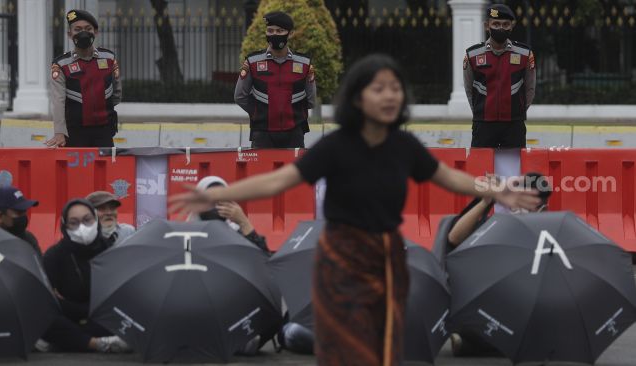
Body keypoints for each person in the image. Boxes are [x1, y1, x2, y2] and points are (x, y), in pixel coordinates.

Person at [170, 54, 540, 366]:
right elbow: (278, 181)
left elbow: (449, 178)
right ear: (359, 97)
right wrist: (219, 194)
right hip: (341, 257)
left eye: (395, 88)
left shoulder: (404, 145)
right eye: (378, 88)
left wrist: (496, 192)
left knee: (385, 346)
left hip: (388, 258)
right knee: (343, 347)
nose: (389, 95)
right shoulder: (337, 146)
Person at [447, 172, 551, 357]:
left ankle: (473, 346)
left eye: (530, 202)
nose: (522, 207)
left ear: (543, 207)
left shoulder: (548, 236)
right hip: (489, 308)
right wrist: (485, 202)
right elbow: (455, 237)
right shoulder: (498, 227)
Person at [41, 198, 130, 353]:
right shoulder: (54, 256)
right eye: (74, 223)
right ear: (64, 225)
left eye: (87, 220)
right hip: (67, 319)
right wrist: (83, 309)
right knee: (45, 320)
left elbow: (117, 299)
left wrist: (71, 305)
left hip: (102, 320)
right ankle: (97, 344)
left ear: (95, 219)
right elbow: (50, 303)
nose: (82, 227)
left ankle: (70, 342)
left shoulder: (110, 250)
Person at [234, 11, 317, 148]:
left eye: (280, 31)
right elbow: (239, 96)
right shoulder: (252, 62)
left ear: (290, 33)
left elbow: (311, 100)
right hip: (262, 133)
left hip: (295, 133)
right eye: (270, 30)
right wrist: (257, 112)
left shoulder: (304, 63)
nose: (274, 34)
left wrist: (293, 111)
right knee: (262, 170)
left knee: (292, 170)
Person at [463, 3, 536, 148]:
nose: (501, 28)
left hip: (514, 125)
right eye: (496, 24)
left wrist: (518, 111)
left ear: (511, 26)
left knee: (514, 169)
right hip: (483, 124)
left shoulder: (524, 54)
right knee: (480, 168)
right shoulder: (472, 55)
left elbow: (530, 89)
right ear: (486, 26)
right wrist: (480, 111)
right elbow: (469, 89)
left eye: (505, 24)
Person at [46, 9, 121, 148]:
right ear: (70, 34)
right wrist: (59, 132)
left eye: (88, 28)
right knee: (77, 170)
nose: (83, 33)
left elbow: (117, 94)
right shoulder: (61, 64)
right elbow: (58, 101)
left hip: (104, 132)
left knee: (104, 169)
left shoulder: (109, 58)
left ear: (96, 32)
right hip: (75, 133)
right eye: (77, 29)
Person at [188, 176, 270, 254]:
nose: (216, 205)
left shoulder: (236, 233)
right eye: (211, 199)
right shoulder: (187, 235)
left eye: (221, 199)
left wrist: (244, 222)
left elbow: (262, 258)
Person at [0, 186, 41, 254]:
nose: (24, 216)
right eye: (19, 212)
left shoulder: (28, 239)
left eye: (24, 211)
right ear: (0, 216)